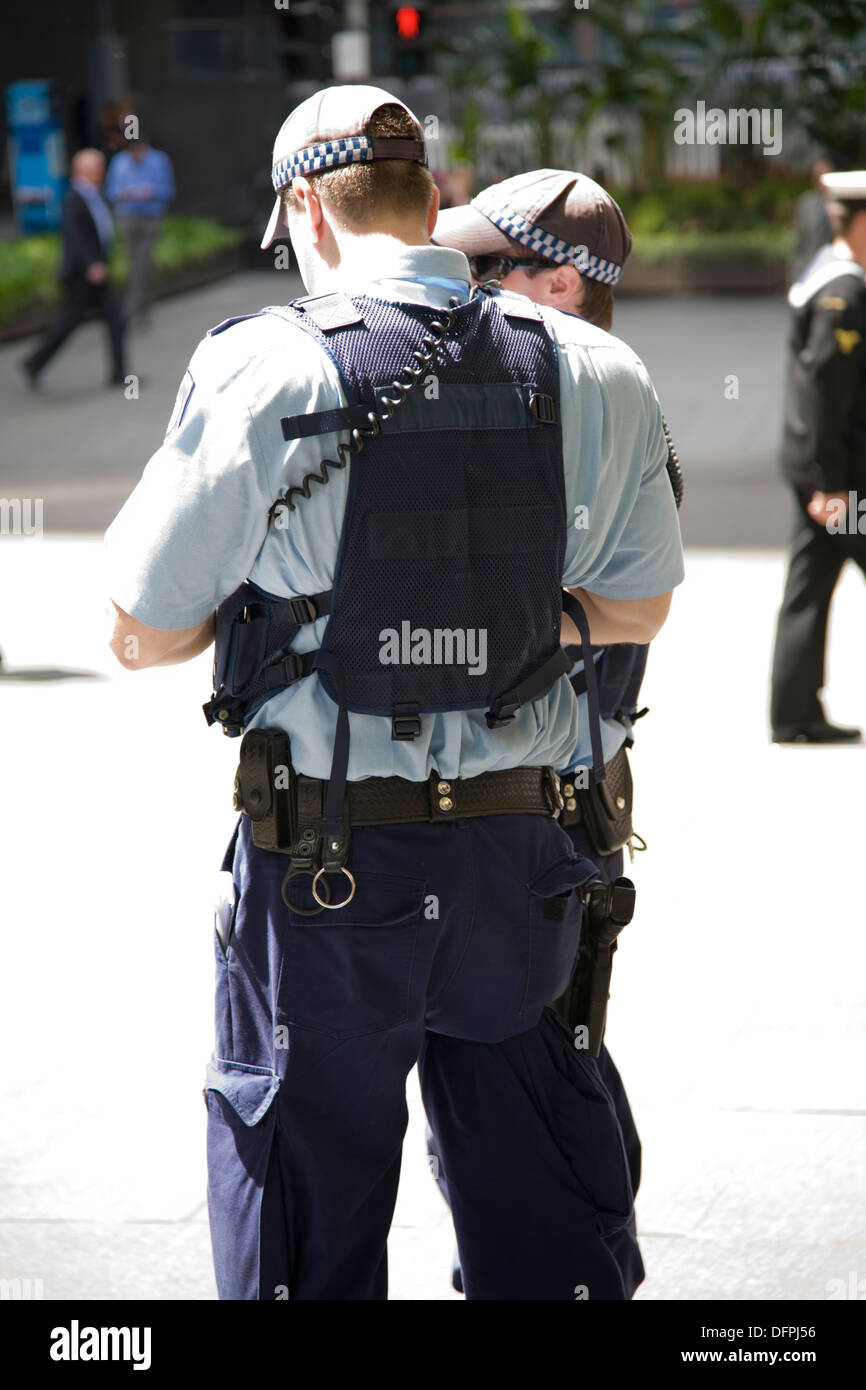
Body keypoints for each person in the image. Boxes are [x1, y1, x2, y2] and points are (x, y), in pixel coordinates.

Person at [105, 85, 683, 1301]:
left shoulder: (263, 363)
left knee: (301, 1219)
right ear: (434, 196)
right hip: (526, 860)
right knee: (544, 1215)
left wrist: (294, 613)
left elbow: (143, 632)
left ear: (305, 207)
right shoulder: (596, 367)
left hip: (326, 861)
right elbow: (636, 610)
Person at [431, 167, 683, 1289]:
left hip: (539, 811)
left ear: (554, 287)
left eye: (485, 272)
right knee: (528, 1073)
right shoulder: (594, 400)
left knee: (524, 1087)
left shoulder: (566, 415)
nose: (464, 294)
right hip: (557, 803)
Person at [770, 170, 866, 744]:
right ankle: (794, 711)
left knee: (808, 587)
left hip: (822, 470)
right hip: (842, 478)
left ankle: (793, 712)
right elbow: (828, 390)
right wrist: (828, 484)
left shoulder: (828, 276)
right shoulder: (844, 291)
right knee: (807, 585)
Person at [21, 149, 126, 388]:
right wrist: (92, 264)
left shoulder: (93, 194)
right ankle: (35, 361)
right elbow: (75, 235)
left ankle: (119, 373)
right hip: (83, 274)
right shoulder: (74, 197)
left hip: (96, 270)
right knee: (70, 321)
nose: (102, 171)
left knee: (114, 319)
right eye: (98, 167)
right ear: (84, 170)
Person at [105, 135, 175, 327]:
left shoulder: (158, 161)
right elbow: (111, 191)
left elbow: (168, 190)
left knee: (142, 265)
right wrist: (126, 193)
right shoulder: (119, 163)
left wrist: (150, 192)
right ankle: (141, 311)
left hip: (150, 218)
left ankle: (128, 312)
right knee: (135, 266)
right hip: (128, 217)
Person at [788, 158, 834, 287]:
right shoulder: (805, 202)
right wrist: (794, 275)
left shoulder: (842, 202)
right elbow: (799, 241)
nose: (820, 180)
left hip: (832, 269)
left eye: (824, 175)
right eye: (817, 175)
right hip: (808, 270)